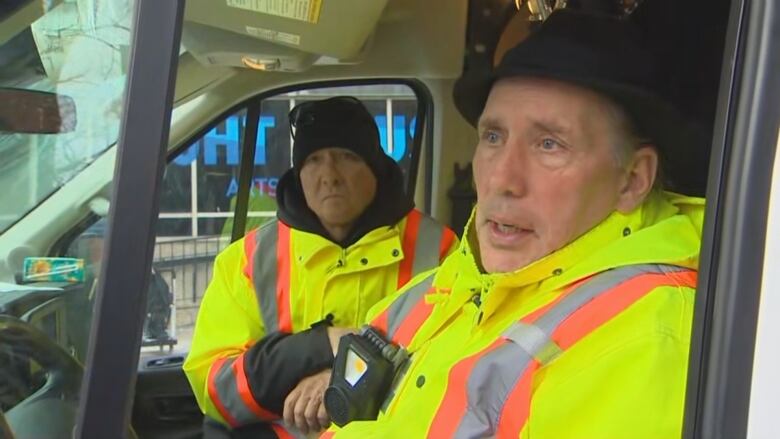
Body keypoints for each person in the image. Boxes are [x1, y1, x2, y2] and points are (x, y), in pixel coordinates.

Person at [324, 10, 704, 438]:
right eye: (493, 137)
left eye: (549, 144)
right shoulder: (460, 277)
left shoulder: (647, 338)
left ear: (633, 179)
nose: (502, 179)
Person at [183, 96, 459, 438]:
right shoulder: (249, 259)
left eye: (347, 157)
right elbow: (217, 389)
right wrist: (320, 346)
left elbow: (453, 371)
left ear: (375, 167)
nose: (329, 175)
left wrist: (343, 379)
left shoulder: (440, 249)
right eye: (314, 159)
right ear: (298, 174)